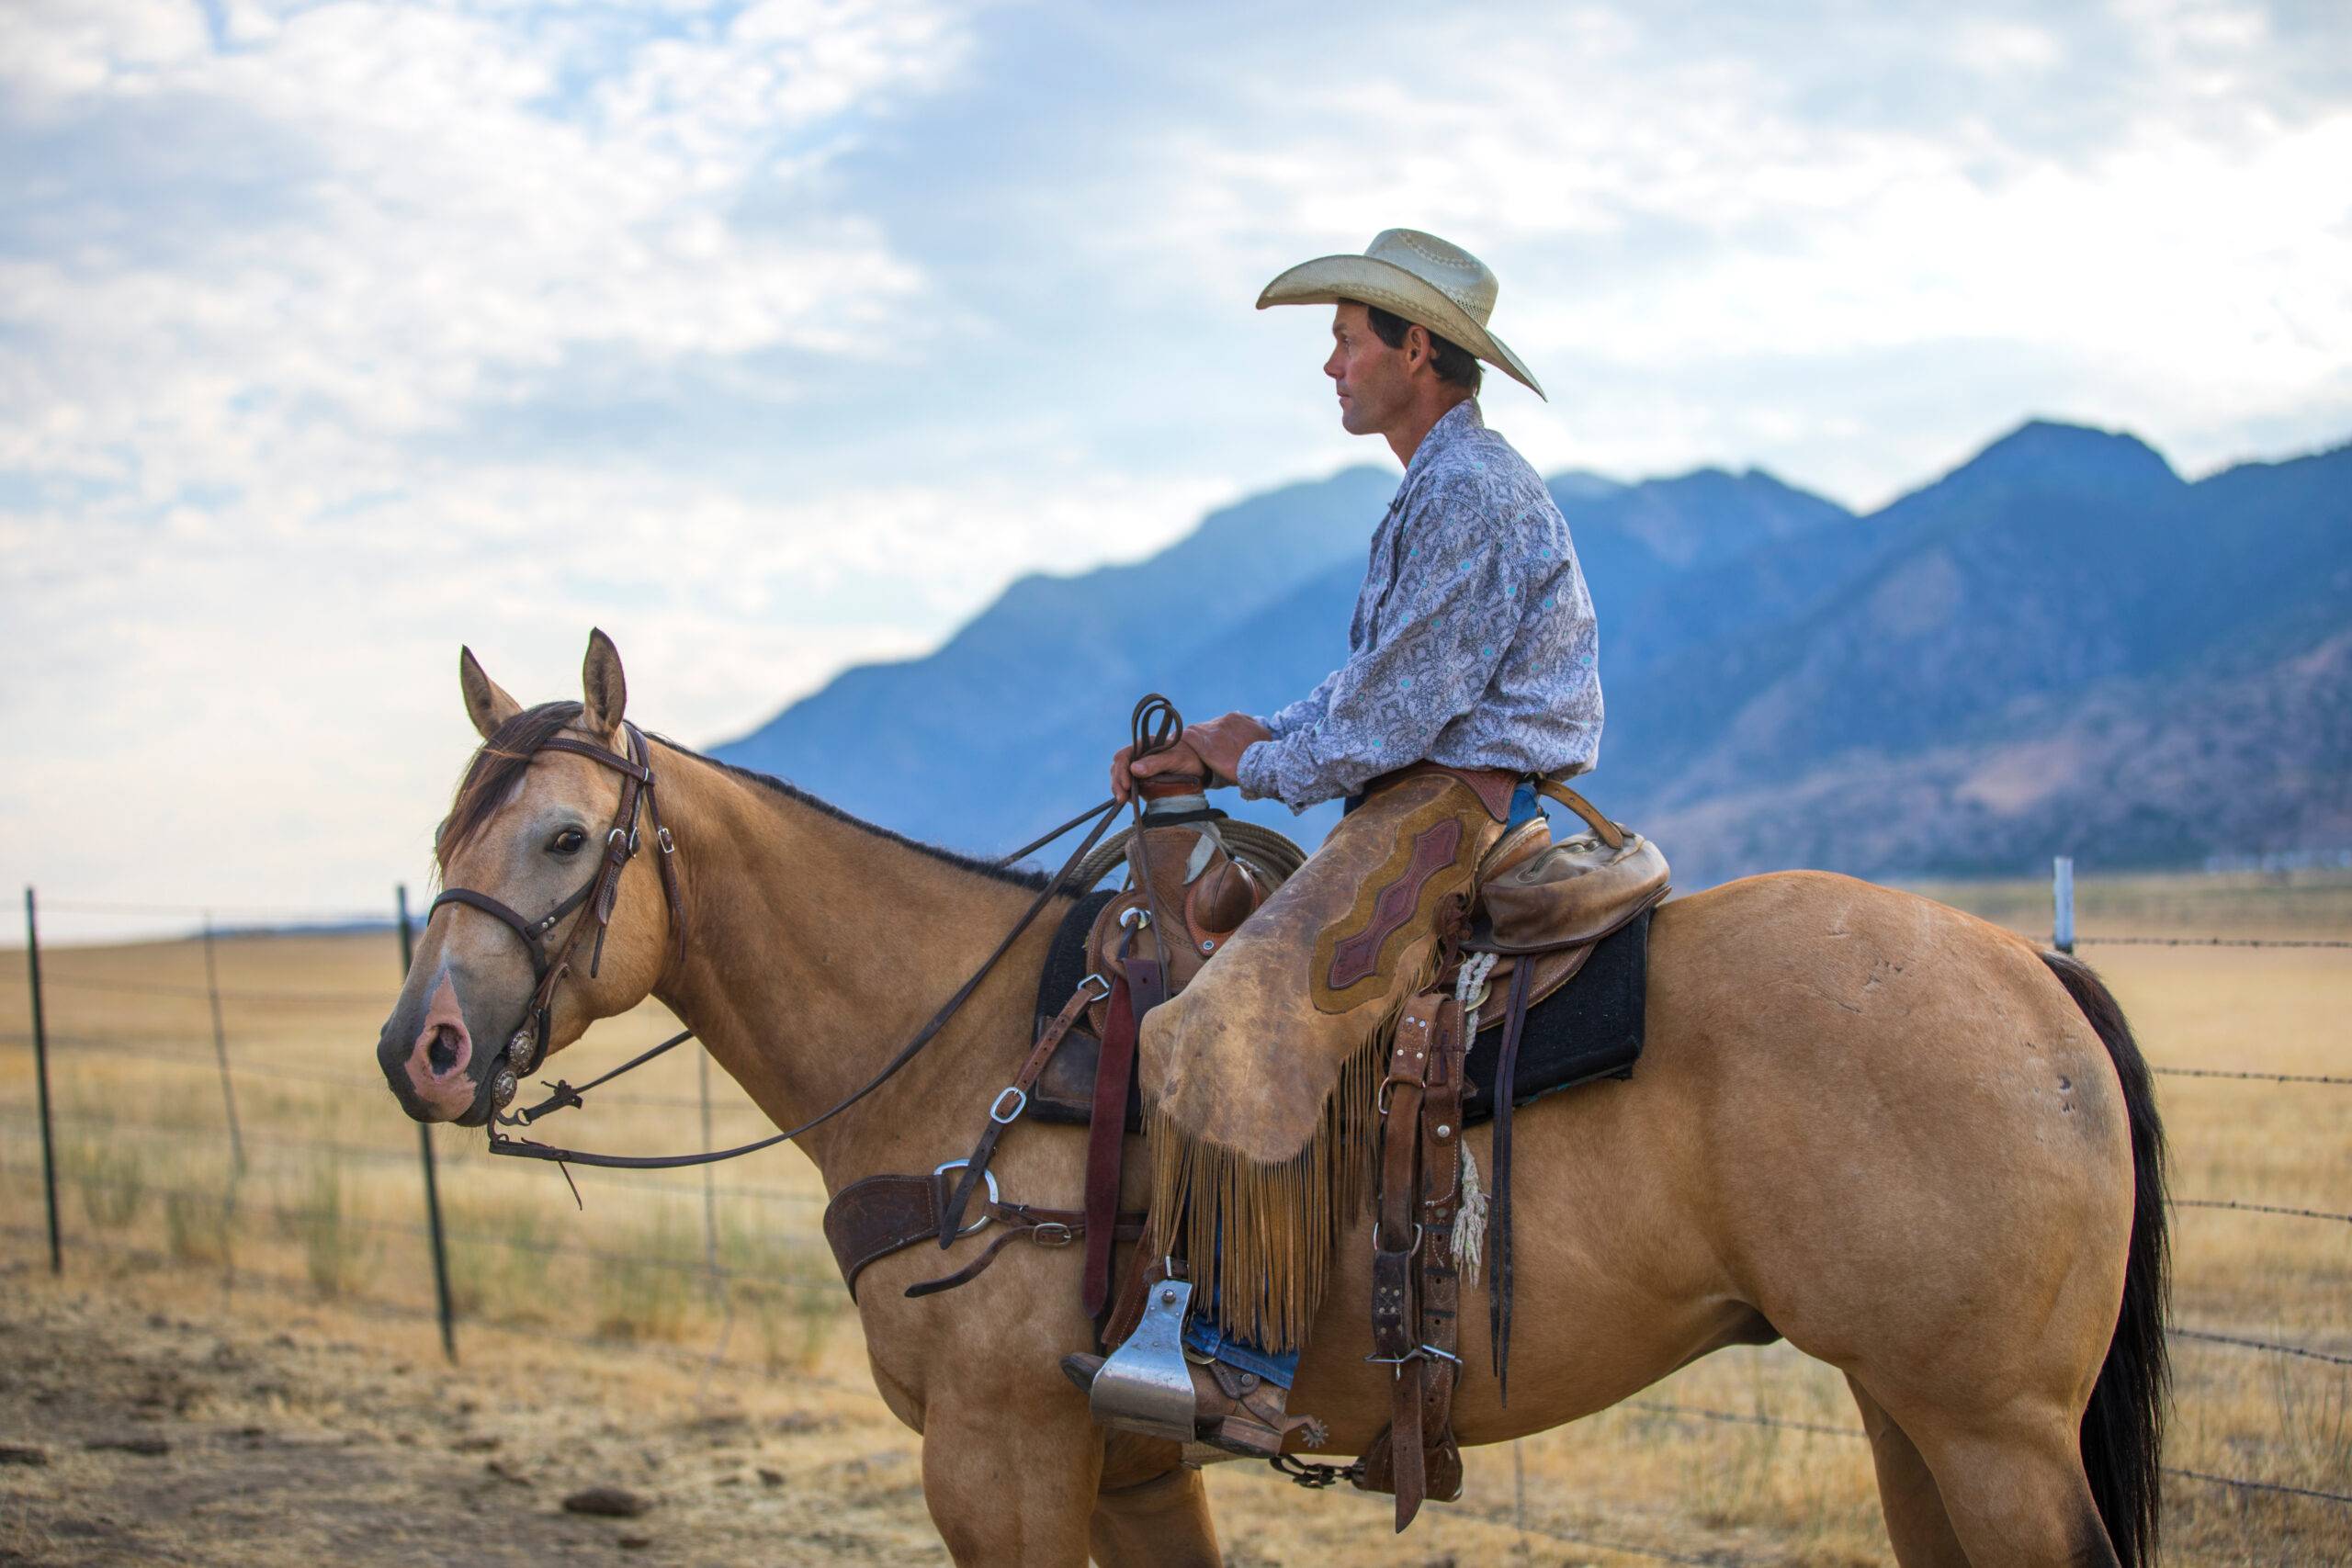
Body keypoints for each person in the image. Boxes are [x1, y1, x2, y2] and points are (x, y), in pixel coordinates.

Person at [1068, 230, 1603, 1457]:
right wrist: (1229, 746)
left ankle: (1242, 1364)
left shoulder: (1466, 491)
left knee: (1234, 1010)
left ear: (1417, 349)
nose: (1330, 366)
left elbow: (1392, 715)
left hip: (1448, 806)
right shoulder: (1441, 486)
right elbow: (1378, 693)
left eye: (1347, 340)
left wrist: (1247, 756)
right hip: (1421, 789)